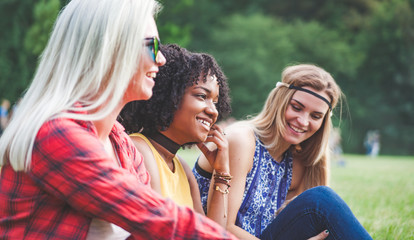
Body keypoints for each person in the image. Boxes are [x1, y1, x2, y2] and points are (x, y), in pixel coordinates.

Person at [0, 0, 236, 239]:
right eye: (152, 46)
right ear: (111, 48)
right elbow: (154, 217)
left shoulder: (120, 143)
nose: (161, 60)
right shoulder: (56, 134)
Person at [194, 64, 373, 239]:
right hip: (213, 236)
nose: (303, 121)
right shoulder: (241, 139)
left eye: (315, 116)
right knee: (321, 201)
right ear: (281, 101)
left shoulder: (297, 162)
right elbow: (223, 228)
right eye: (296, 107)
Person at [119, 43, 232, 227]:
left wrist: (221, 173)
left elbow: (212, 233)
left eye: (216, 102)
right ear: (170, 96)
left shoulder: (182, 168)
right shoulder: (139, 149)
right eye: (202, 96)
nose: (213, 111)